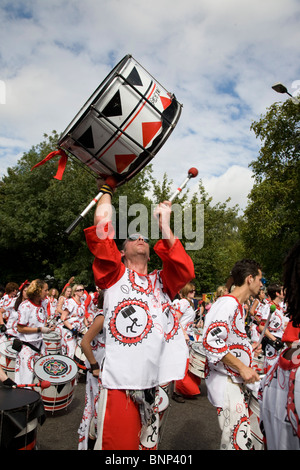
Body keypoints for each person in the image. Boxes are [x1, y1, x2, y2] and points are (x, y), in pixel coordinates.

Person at [83, 181, 195, 450]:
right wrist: (107, 190)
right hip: (121, 384)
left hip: (156, 385)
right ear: (120, 252)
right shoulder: (113, 275)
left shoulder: (162, 281)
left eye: (145, 237)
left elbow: (186, 270)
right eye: (133, 238)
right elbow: (101, 229)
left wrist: (165, 225)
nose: (141, 239)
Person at [202, 258, 262, 450]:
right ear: (250, 279)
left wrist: (247, 349)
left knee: (238, 441)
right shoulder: (228, 303)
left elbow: (226, 340)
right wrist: (242, 366)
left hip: (232, 381)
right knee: (237, 444)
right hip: (226, 382)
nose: (262, 285)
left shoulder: (235, 305)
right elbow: (211, 341)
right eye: (261, 279)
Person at [258, 240, 300, 449]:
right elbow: (260, 326)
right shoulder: (269, 307)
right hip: (276, 349)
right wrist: (272, 338)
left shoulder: (283, 308)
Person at [78, 292, 105, 450]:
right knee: (95, 409)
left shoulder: (111, 315)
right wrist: (94, 366)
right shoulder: (102, 317)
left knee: (100, 410)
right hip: (97, 372)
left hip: (106, 371)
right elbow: (84, 342)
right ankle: (89, 444)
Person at [15, 279, 54, 385]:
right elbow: (20, 328)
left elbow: (40, 321)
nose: (47, 292)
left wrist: (47, 326)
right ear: (38, 291)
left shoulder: (44, 303)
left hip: (40, 345)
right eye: (45, 290)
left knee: (44, 376)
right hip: (27, 347)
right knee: (26, 380)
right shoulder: (25, 306)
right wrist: (39, 329)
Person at [172, 282, 201, 402]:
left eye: (194, 291)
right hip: (181, 337)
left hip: (186, 336)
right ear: (185, 292)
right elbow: (175, 320)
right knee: (182, 364)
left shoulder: (189, 303)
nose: (193, 292)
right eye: (191, 291)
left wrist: (194, 324)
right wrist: (183, 333)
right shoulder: (183, 302)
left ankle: (181, 390)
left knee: (184, 363)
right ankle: (176, 391)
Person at [259, 283, 288, 373]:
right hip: (272, 343)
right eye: (283, 291)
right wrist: (274, 340)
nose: (285, 293)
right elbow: (261, 326)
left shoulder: (279, 308)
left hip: (279, 342)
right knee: (270, 370)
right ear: (277, 293)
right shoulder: (268, 307)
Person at [59, 284, 89, 358]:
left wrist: (87, 326)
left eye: (82, 289)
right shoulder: (71, 302)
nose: (82, 291)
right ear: (75, 292)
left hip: (79, 331)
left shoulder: (82, 301)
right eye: (79, 290)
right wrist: (71, 328)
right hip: (69, 330)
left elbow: (83, 316)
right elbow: (63, 317)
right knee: (71, 351)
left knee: (78, 351)